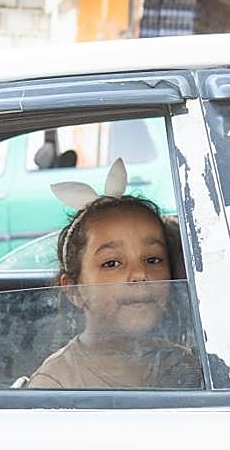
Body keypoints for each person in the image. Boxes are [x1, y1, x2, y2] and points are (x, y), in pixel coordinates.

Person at [26, 159, 201, 390]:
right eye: (112, 263)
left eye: (153, 260)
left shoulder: (184, 365)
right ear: (74, 290)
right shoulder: (56, 383)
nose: (139, 274)